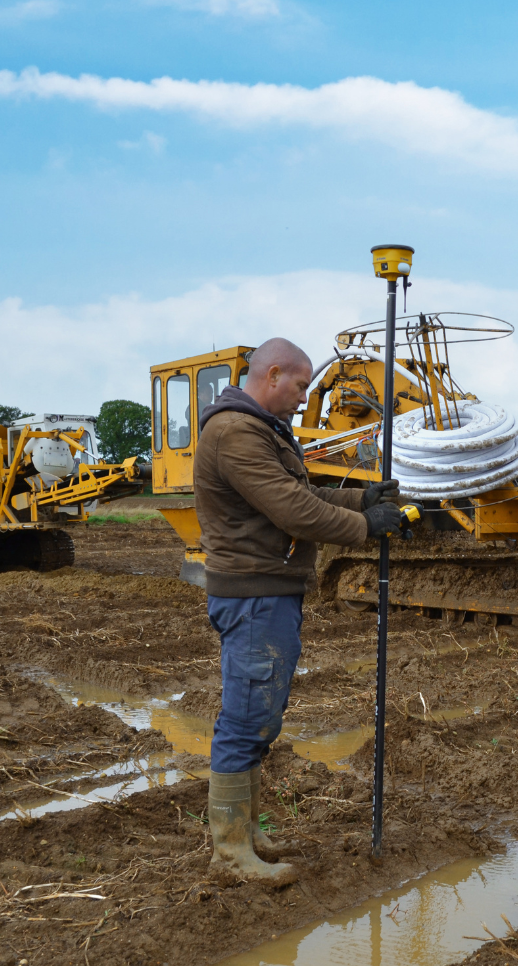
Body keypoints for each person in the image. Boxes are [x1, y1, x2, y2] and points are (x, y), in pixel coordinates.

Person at [194, 337, 403, 883]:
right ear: (273, 374)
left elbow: (300, 491)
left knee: (261, 714)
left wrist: (363, 500)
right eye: (301, 385)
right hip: (253, 593)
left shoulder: (259, 430)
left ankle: (246, 831)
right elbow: (291, 508)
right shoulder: (235, 432)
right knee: (246, 717)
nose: (304, 397)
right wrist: (364, 528)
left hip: (270, 590)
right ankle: (229, 852)